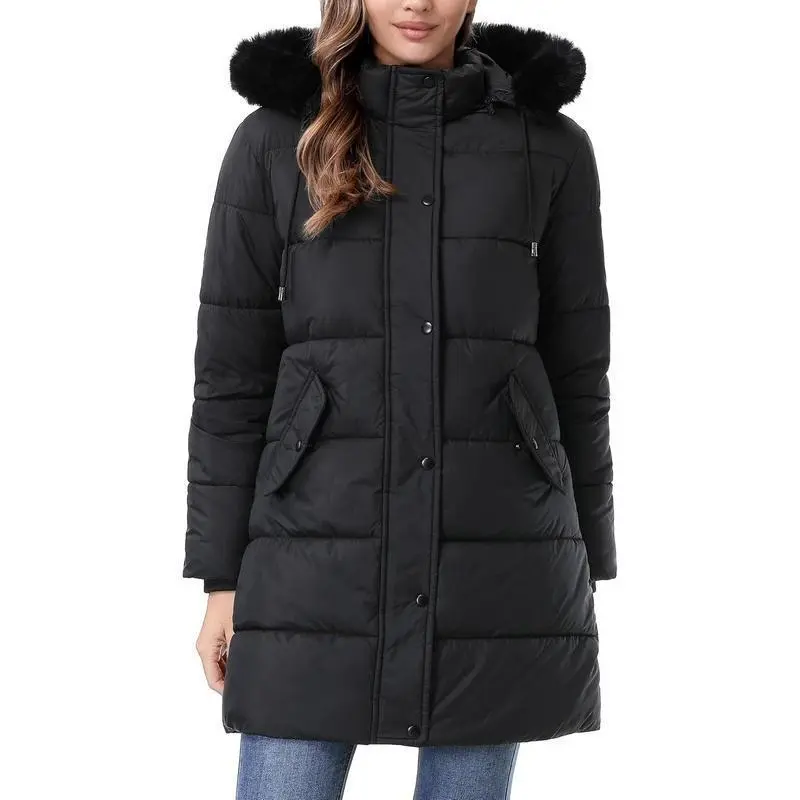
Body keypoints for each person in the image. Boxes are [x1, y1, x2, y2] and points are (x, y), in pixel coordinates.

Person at [183, 1, 616, 797]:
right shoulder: (276, 138)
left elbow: (578, 370)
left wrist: (585, 560)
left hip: (495, 558)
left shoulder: (548, 144)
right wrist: (219, 578)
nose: (417, 3)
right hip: (307, 561)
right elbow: (231, 376)